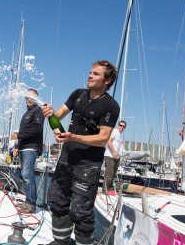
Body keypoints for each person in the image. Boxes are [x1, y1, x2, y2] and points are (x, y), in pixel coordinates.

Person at [41, 60, 120, 245]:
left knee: (80, 211)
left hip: (88, 165)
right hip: (67, 159)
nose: (90, 75)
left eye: (96, 74)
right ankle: (61, 242)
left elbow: (102, 139)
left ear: (107, 81)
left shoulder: (111, 106)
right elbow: (58, 115)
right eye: (91, 72)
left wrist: (73, 137)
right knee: (57, 201)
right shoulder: (78, 94)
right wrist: (49, 112)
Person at [10, 89, 44, 214]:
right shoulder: (26, 114)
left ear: (36, 98)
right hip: (24, 148)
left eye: (32, 97)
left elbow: (37, 129)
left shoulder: (38, 111)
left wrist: (19, 135)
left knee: (27, 175)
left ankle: (31, 205)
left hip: (31, 148)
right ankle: (28, 201)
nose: (29, 99)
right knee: (24, 175)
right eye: (27, 97)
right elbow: (25, 132)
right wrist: (18, 146)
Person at [103, 120, 126, 192]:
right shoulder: (115, 131)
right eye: (120, 125)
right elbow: (108, 140)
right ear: (118, 125)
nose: (122, 127)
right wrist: (113, 152)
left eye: (123, 126)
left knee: (113, 175)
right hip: (110, 156)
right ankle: (105, 190)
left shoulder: (119, 135)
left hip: (116, 157)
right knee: (109, 174)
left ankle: (109, 189)